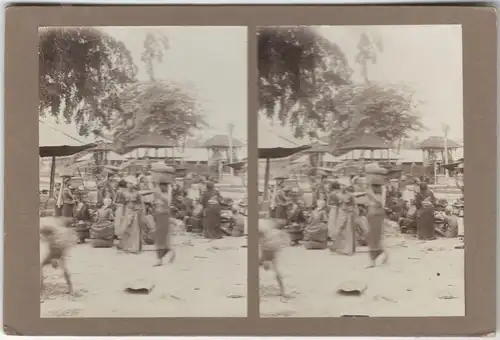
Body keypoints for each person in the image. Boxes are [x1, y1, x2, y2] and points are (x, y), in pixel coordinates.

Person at [365, 175, 389, 268]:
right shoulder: (373, 194)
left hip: (376, 217)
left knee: (374, 239)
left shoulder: (378, 195)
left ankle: (374, 260)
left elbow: (381, 203)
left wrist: (371, 194)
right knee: (374, 239)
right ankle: (381, 256)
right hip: (372, 217)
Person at [151, 176, 176, 267]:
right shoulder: (158, 194)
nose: (161, 187)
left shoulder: (167, 195)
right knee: (159, 238)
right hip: (158, 217)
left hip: (164, 217)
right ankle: (161, 258)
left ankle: (163, 257)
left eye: (162, 186)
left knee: (163, 238)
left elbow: (167, 203)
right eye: (160, 185)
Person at [329, 185, 357, 255]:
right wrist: (339, 203)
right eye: (341, 186)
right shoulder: (337, 195)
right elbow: (333, 205)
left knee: (348, 230)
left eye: (344, 187)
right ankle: (337, 247)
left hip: (348, 214)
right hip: (341, 213)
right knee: (339, 229)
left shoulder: (350, 195)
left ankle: (348, 249)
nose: (343, 188)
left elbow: (354, 204)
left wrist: (350, 208)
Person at [118, 176, 143, 253]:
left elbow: (140, 203)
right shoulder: (123, 193)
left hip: (135, 213)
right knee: (126, 228)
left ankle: (134, 247)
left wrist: (138, 208)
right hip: (126, 212)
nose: (129, 185)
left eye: (131, 183)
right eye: (128, 183)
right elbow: (121, 204)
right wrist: (122, 215)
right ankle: (125, 246)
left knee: (135, 229)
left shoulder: (137, 193)